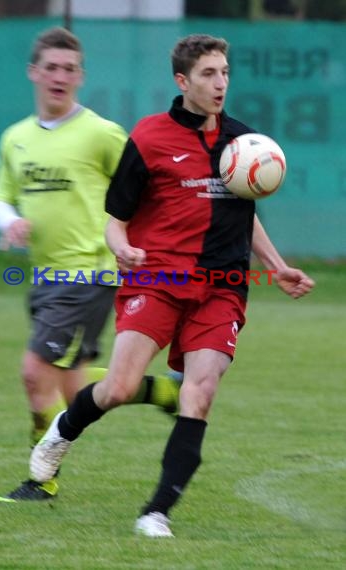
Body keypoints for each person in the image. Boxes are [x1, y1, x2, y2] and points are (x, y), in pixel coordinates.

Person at [29, 33, 315, 536]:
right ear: (183, 81)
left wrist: (277, 264)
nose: (220, 82)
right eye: (208, 74)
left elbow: (244, 216)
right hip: (157, 278)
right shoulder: (149, 138)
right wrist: (120, 246)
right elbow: (115, 218)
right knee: (116, 388)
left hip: (222, 285)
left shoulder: (244, 144)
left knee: (199, 394)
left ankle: (156, 511)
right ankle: (60, 434)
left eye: (225, 71)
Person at [0, 27, 181, 503]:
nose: (59, 76)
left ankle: (42, 477)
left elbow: (144, 187)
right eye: (50, 67)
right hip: (45, 275)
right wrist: (10, 222)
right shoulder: (15, 138)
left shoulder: (101, 133)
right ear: (34, 73)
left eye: (69, 68)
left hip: (89, 272)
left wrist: (141, 244)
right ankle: (162, 393)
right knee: (74, 384)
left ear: (81, 77)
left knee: (35, 373)